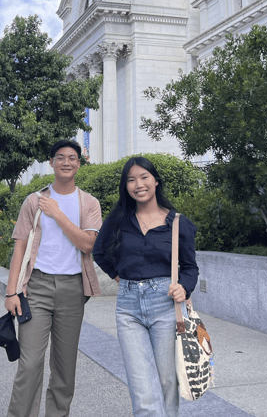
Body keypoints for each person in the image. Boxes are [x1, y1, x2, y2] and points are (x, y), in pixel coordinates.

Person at [93, 157, 199, 417]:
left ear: (155, 181)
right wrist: (121, 279)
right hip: (128, 309)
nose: (138, 184)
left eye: (143, 177)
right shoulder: (119, 219)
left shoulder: (177, 223)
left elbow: (190, 268)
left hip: (165, 305)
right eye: (131, 179)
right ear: (125, 186)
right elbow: (99, 252)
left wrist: (183, 288)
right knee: (142, 389)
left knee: (167, 383)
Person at [5, 139, 102, 417]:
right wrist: (12, 292)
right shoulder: (34, 200)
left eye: (73, 158)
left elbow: (87, 244)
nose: (67, 162)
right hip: (37, 286)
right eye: (60, 157)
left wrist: (58, 214)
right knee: (30, 363)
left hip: (73, 289)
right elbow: (20, 246)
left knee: (64, 366)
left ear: (79, 164)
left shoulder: (89, 203)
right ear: (51, 162)